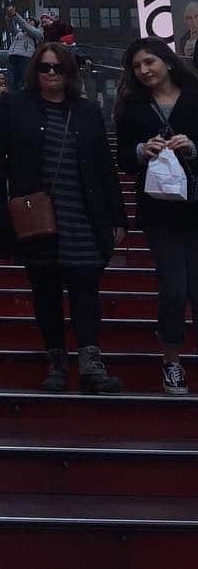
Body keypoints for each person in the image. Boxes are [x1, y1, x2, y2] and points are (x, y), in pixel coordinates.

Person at [0, 42, 127, 395]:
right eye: (44, 67)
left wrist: (117, 216)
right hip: (36, 219)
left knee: (86, 290)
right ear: (34, 71)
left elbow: (105, 168)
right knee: (45, 292)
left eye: (58, 68)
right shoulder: (14, 107)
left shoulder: (87, 112)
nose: (51, 74)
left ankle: (91, 364)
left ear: (69, 72)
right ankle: (56, 364)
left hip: (83, 217)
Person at [115, 39, 198, 396]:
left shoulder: (194, 94)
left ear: (166, 61)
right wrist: (142, 151)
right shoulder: (132, 106)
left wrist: (193, 148)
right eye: (137, 66)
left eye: (149, 62)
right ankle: (172, 361)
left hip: (195, 204)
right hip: (158, 209)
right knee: (174, 288)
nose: (144, 70)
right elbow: (122, 157)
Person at [4, 5, 42, 94]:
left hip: (25, 59)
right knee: (11, 83)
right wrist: (9, 17)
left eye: (31, 21)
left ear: (35, 24)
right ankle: (13, 102)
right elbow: (11, 27)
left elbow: (25, 26)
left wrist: (14, 14)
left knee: (25, 82)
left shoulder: (37, 33)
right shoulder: (19, 33)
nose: (28, 22)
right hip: (12, 58)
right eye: (28, 20)